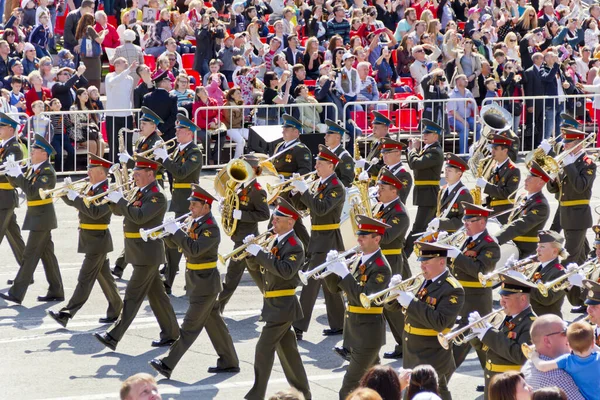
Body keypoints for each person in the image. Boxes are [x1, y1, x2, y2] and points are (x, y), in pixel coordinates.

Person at [149, 184, 240, 378]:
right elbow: (178, 245)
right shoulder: (195, 222)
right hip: (196, 281)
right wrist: (167, 233)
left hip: (206, 284)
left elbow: (194, 249)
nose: (190, 208)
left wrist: (177, 232)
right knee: (215, 324)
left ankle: (167, 363)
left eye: (195, 205)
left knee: (189, 326)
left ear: (206, 207)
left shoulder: (210, 228)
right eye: (190, 204)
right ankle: (229, 361)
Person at [94, 156, 179, 351]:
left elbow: (139, 216)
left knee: (132, 296)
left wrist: (122, 201)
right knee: (158, 297)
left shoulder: (157, 196)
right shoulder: (141, 192)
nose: (135, 177)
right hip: (138, 252)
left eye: (139, 174)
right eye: (134, 173)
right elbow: (120, 212)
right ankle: (171, 333)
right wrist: (111, 200)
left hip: (147, 253)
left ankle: (113, 336)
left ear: (151, 174)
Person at [243, 198, 312, 400]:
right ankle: (304, 394)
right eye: (274, 217)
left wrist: (261, 254)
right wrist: (251, 254)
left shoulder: (295, 245)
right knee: (290, 355)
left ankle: (255, 395)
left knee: (263, 348)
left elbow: (285, 271)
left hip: (283, 306)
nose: (273, 221)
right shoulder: (275, 240)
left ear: (290, 222)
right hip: (273, 304)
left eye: (278, 218)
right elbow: (258, 269)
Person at [47, 155, 123, 327]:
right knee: (105, 278)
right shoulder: (91, 187)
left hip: (98, 240)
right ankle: (117, 308)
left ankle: (66, 313)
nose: (88, 172)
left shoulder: (108, 191)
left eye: (92, 169)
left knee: (85, 278)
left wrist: (75, 197)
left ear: (102, 173)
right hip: (89, 239)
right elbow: (77, 204)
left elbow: (95, 213)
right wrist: (67, 192)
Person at [321, 215, 391, 399]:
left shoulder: (381, 267)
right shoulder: (360, 259)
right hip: (355, 331)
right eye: (359, 234)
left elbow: (363, 298)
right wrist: (332, 270)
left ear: (377, 239)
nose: (358, 238)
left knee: (349, 387)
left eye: (364, 236)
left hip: (367, 333)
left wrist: (344, 273)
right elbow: (334, 288)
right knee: (377, 384)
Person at [385, 242, 465, 400]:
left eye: (426, 263)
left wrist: (411, 303)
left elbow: (440, 322)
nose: (422, 267)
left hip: (431, 354)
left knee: (423, 395)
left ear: (441, 262)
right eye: (421, 262)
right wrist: (393, 293)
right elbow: (392, 307)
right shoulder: (424, 280)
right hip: (414, 352)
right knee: (436, 393)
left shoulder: (452, 289)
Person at [291, 145, 346, 341]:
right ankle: (339, 324)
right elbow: (301, 207)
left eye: (320, 163)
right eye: (317, 162)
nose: (316, 166)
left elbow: (320, 209)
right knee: (330, 284)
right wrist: (295, 191)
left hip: (329, 238)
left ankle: (297, 326)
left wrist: (305, 190)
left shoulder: (336, 187)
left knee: (311, 281)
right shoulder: (320, 183)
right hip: (318, 239)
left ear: (331, 166)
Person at [1, 135, 64, 305]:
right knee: (47, 255)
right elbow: (18, 185)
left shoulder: (47, 171)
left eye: (35, 150)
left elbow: (32, 191)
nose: (32, 152)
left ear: (44, 154)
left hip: (42, 218)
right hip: (37, 216)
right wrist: (12, 173)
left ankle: (16, 293)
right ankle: (56, 290)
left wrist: (18, 175)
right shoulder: (34, 168)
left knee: (29, 255)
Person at [545, 129, 595, 313]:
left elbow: (581, 187)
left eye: (569, 143)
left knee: (570, 260)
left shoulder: (587, 163)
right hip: (566, 217)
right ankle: (586, 299)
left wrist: (568, 166)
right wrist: (552, 177)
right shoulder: (568, 162)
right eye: (565, 142)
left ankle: (555, 301)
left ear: (579, 144)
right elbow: (554, 190)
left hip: (578, 217)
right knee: (583, 259)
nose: (564, 145)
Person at [446, 203, 501, 370]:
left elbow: (480, 270)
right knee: (483, 348)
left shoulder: (490, 245)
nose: (465, 224)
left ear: (482, 223)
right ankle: (495, 379)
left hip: (477, 303)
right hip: (463, 299)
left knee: (462, 344)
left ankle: (440, 385)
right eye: (465, 220)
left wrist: (457, 256)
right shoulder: (466, 239)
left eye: (470, 221)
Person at [152, 114, 203, 294]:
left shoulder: (195, 152)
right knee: (170, 239)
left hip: (188, 201)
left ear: (189, 133)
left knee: (180, 241)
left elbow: (181, 173)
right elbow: (166, 168)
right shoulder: (179, 149)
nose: (176, 132)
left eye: (179, 130)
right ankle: (169, 276)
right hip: (177, 199)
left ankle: (170, 281)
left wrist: (165, 158)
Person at [469, 274, 537, 399]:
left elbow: (521, 356)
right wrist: (475, 331)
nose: (501, 302)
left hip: (511, 387)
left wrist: (487, 332)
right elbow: (482, 346)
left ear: (522, 298)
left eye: (506, 298)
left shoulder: (532, 324)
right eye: (501, 297)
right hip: (493, 381)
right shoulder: (500, 316)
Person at [216, 154, 270, 312]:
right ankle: (271, 304)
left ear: (253, 170)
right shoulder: (239, 186)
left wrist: (241, 215)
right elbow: (233, 204)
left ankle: (218, 307)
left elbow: (264, 214)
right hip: (239, 236)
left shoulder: (258, 191)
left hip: (247, 239)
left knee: (234, 275)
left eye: (244, 167)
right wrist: (225, 207)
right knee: (255, 275)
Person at [270, 114, 312, 252]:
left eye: (287, 129)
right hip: (279, 191)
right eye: (284, 129)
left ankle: (309, 251)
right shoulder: (280, 146)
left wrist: (287, 181)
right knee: (293, 223)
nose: (283, 131)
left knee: (281, 222)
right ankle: (308, 250)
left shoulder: (301, 149)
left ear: (296, 132)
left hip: (291, 193)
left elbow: (304, 172)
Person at [404, 120, 444, 257]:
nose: (424, 135)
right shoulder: (427, 149)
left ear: (436, 136)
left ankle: (403, 254)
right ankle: (432, 256)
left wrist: (413, 150)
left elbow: (415, 163)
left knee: (419, 228)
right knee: (430, 229)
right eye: (424, 132)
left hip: (429, 195)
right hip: (425, 194)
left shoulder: (435, 152)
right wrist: (411, 149)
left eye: (428, 133)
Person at [530, 320, 600, 400]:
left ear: (568, 345)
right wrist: (591, 342)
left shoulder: (566, 360)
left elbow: (542, 367)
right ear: (593, 342)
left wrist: (534, 357)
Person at [521, 314, 585, 399]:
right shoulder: (556, 376)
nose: (570, 336)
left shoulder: (528, 365)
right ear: (547, 341)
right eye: (565, 332)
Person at [496, 161, 551, 258]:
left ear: (540, 182)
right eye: (527, 177)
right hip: (512, 247)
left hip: (525, 252)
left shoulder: (541, 205)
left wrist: (497, 238)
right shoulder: (522, 197)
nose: (525, 180)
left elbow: (520, 225)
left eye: (530, 178)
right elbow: (511, 221)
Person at [0, 112, 25, 283]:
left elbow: (6, 172)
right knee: (14, 237)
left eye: (1, 127)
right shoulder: (4, 146)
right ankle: (26, 273)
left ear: (11, 129)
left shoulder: (14, 148)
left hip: (5, 197)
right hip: (2, 197)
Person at [477, 134, 521, 224]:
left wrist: (486, 186)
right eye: (492, 148)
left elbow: (507, 193)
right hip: (490, 210)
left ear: (505, 151)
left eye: (495, 149)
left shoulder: (513, 170)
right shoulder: (494, 166)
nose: (492, 151)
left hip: (503, 213)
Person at [428, 154, 473, 234]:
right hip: (440, 234)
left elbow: (465, 221)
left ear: (459, 174)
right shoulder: (443, 190)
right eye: (446, 170)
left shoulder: (464, 194)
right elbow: (439, 213)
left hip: (455, 236)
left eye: (450, 171)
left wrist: (441, 223)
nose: (446, 173)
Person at [104, 57, 137, 163]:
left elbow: (128, 96)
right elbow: (114, 81)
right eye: (124, 62)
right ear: (117, 65)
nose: (127, 64)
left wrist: (131, 113)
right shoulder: (109, 76)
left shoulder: (130, 79)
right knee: (114, 144)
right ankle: (114, 172)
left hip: (126, 115)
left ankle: (129, 169)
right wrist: (128, 70)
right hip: (112, 116)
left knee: (128, 144)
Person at [528, 231, 567, 317]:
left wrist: (525, 283)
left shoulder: (561, 272)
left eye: (542, 247)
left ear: (554, 251)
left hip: (548, 321)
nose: (537, 249)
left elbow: (547, 299)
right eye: (538, 246)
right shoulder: (536, 265)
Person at [142, 71, 178, 144]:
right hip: (168, 133)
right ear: (163, 83)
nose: (171, 83)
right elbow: (174, 116)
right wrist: (161, 130)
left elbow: (144, 115)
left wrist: (152, 129)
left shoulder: (147, 97)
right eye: (168, 81)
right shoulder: (172, 97)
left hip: (151, 132)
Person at [325, 119, 354, 188]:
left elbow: (347, 181)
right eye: (325, 135)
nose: (325, 137)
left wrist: (329, 184)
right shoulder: (326, 152)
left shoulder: (345, 157)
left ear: (338, 137)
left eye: (328, 135)